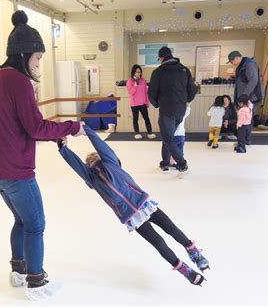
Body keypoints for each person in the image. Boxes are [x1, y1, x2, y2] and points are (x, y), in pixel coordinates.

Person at [0, 10, 85, 300]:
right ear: (24, 53)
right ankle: (35, 281)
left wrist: (54, 134)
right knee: (36, 223)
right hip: (14, 169)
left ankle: (17, 269)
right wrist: (73, 127)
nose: (38, 64)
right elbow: (35, 126)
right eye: (37, 57)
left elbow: (19, 124)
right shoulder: (18, 81)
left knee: (22, 220)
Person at [57, 125, 209, 286]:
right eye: (89, 162)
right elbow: (76, 165)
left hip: (143, 203)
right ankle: (182, 269)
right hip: (130, 216)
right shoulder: (91, 178)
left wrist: (88, 130)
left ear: (100, 157)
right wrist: (63, 148)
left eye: (94, 158)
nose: (92, 161)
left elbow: (102, 147)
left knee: (171, 228)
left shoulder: (111, 162)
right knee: (158, 243)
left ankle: (193, 251)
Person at [148, 47, 198, 173]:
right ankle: (165, 162)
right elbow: (193, 90)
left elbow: (151, 93)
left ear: (161, 57)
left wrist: (157, 104)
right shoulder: (184, 70)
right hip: (180, 110)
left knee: (168, 138)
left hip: (167, 111)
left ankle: (182, 163)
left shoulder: (158, 72)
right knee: (168, 137)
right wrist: (185, 101)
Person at [227, 50, 263, 120]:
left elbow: (253, 81)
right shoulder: (240, 66)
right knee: (243, 119)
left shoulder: (250, 65)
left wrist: (245, 95)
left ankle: (245, 131)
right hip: (245, 97)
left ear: (237, 58)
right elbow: (244, 79)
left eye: (231, 61)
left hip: (251, 97)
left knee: (247, 119)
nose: (231, 63)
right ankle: (241, 130)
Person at [126, 64, 156, 140]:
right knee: (135, 119)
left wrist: (147, 102)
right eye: (137, 72)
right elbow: (131, 92)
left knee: (146, 118)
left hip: (143, 103)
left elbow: (146, 92)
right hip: (134, 104)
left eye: (139, 72)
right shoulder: (130, 81)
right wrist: (135, 85)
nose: (138, 73)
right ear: (133, 72)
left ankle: (150, 133)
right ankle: (137, 133)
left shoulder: (143, 81)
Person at [170, 104, 191, 168]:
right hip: (182, 135)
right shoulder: (182, 115)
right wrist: (188, 105)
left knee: (173, 150)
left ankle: (171, 162)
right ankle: (180, 162)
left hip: (175, 135)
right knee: (180, 149)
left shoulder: (171, 116)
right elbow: (187, 111)